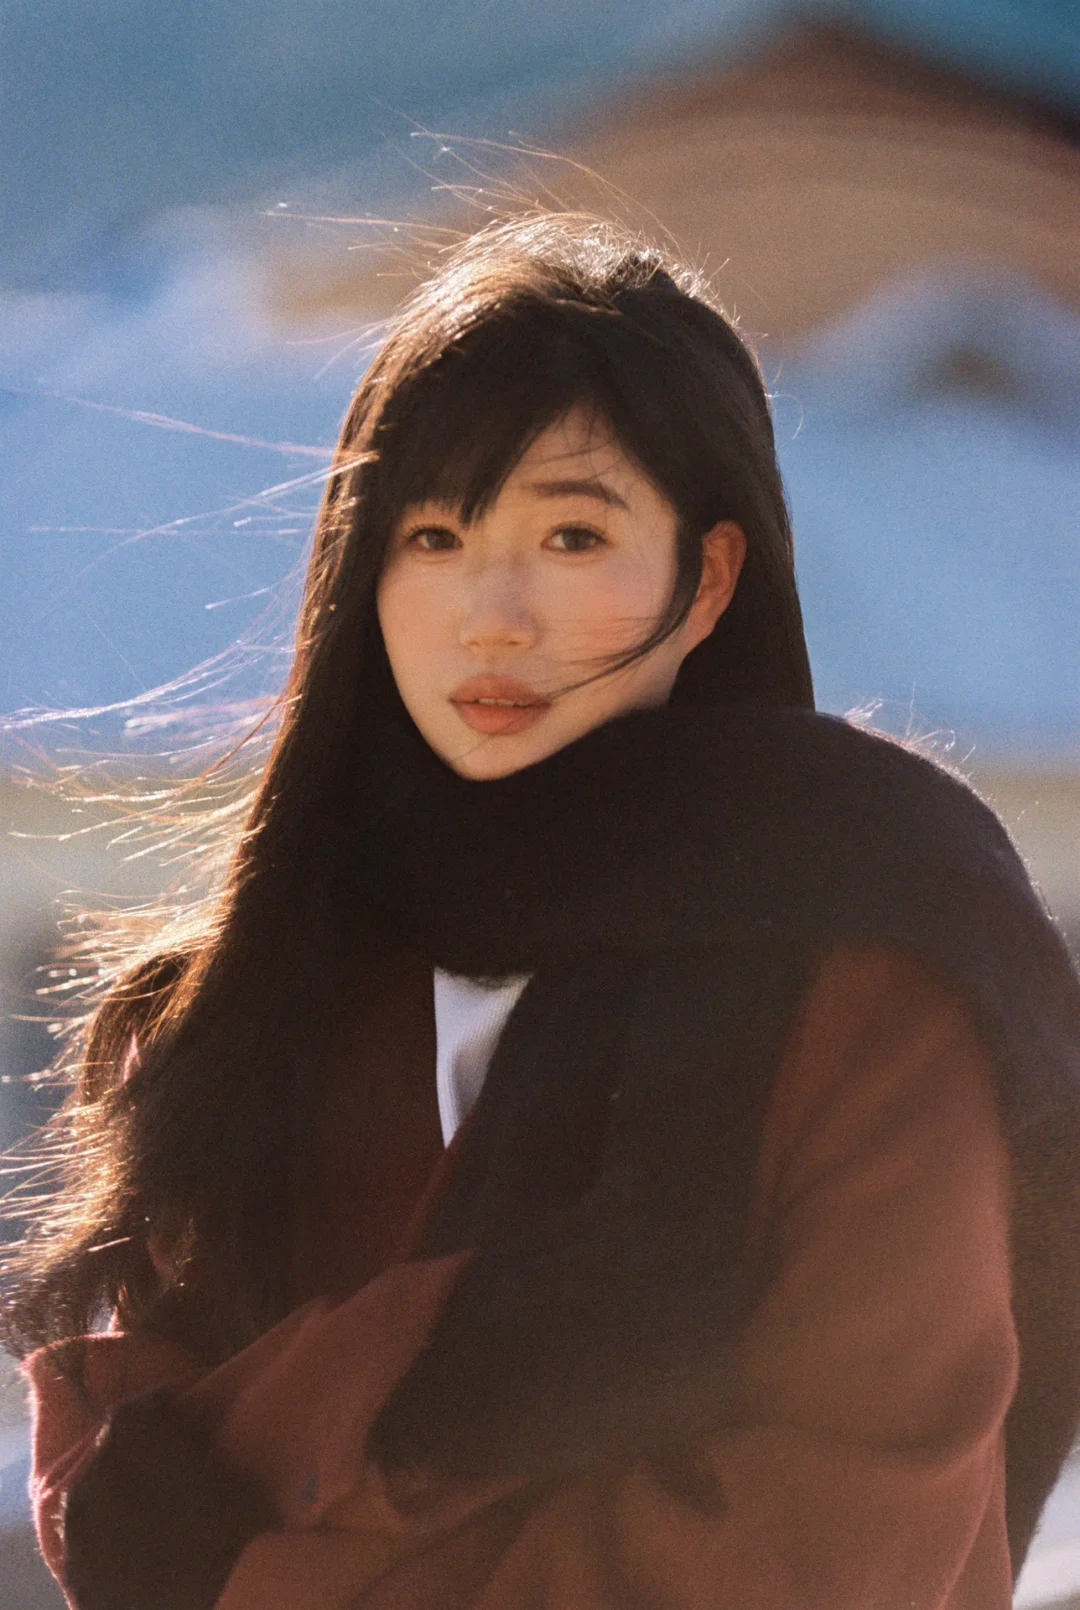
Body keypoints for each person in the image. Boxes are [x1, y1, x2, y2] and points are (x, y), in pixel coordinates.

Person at [5, 213, 1080, 1610]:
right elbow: (123, 1484)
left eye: (573, 535)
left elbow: (839, 1541)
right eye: (434, 534)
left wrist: (276, 1528)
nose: (492, 615)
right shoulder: (230, 1007)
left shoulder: (869, 968)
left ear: (707, 576)